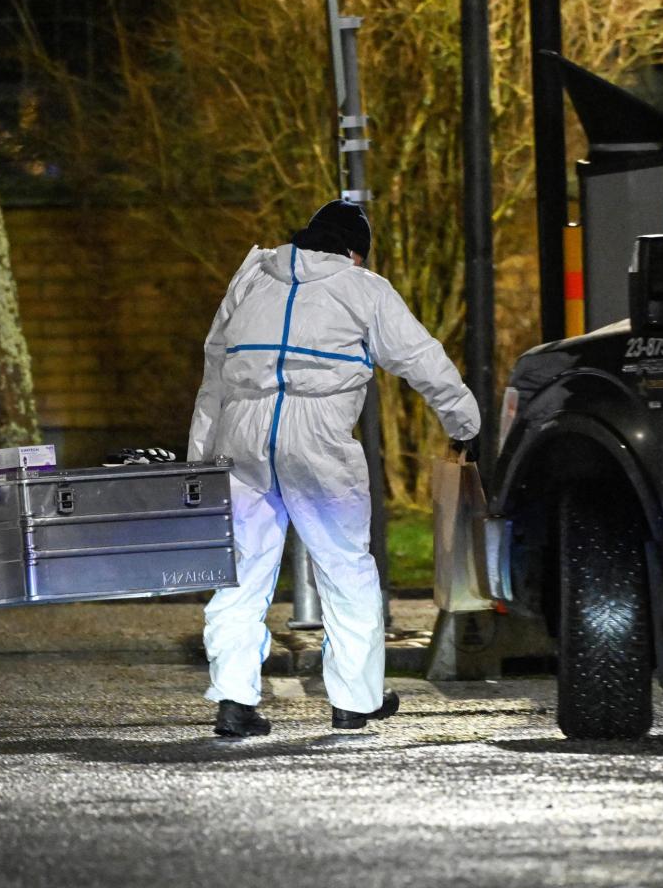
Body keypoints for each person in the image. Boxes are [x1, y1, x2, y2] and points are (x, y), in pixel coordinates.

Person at [188, 199, 480, 737]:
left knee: (241, 571)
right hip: (317, 439)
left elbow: (214, 366)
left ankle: (233, 700)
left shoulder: (252, 278)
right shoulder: (364, 288)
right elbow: (421, 358)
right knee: (345, 567)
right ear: (353, 252)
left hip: (242, 435)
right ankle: (354, 699)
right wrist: (464, 421)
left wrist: (199, 457)